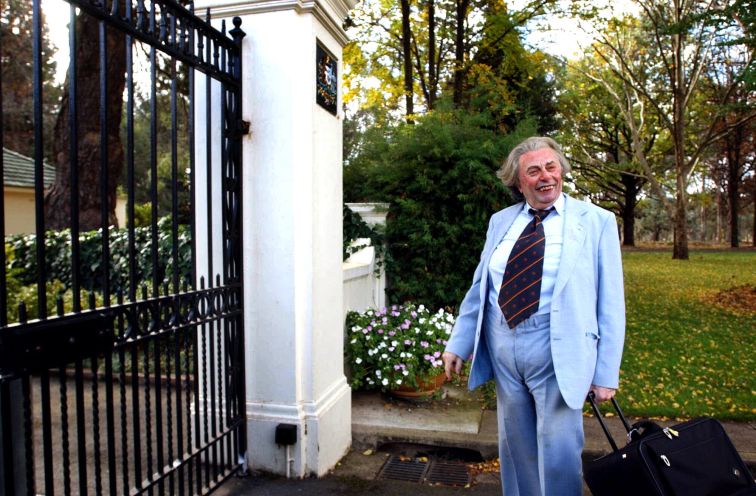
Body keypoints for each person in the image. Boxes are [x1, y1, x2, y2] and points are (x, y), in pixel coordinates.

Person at [443, 136, 625, 496]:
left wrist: (605, 372)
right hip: (503, 344)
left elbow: (611, 301)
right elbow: (482, 286)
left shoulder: (596, 221)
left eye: (551, 167)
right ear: (518, 180)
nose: (546, 177)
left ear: (561, 171)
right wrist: (459, 343)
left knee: (558, 449)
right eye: (534, 171)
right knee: (516, 448)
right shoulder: (501, 221)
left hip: (558, 347)